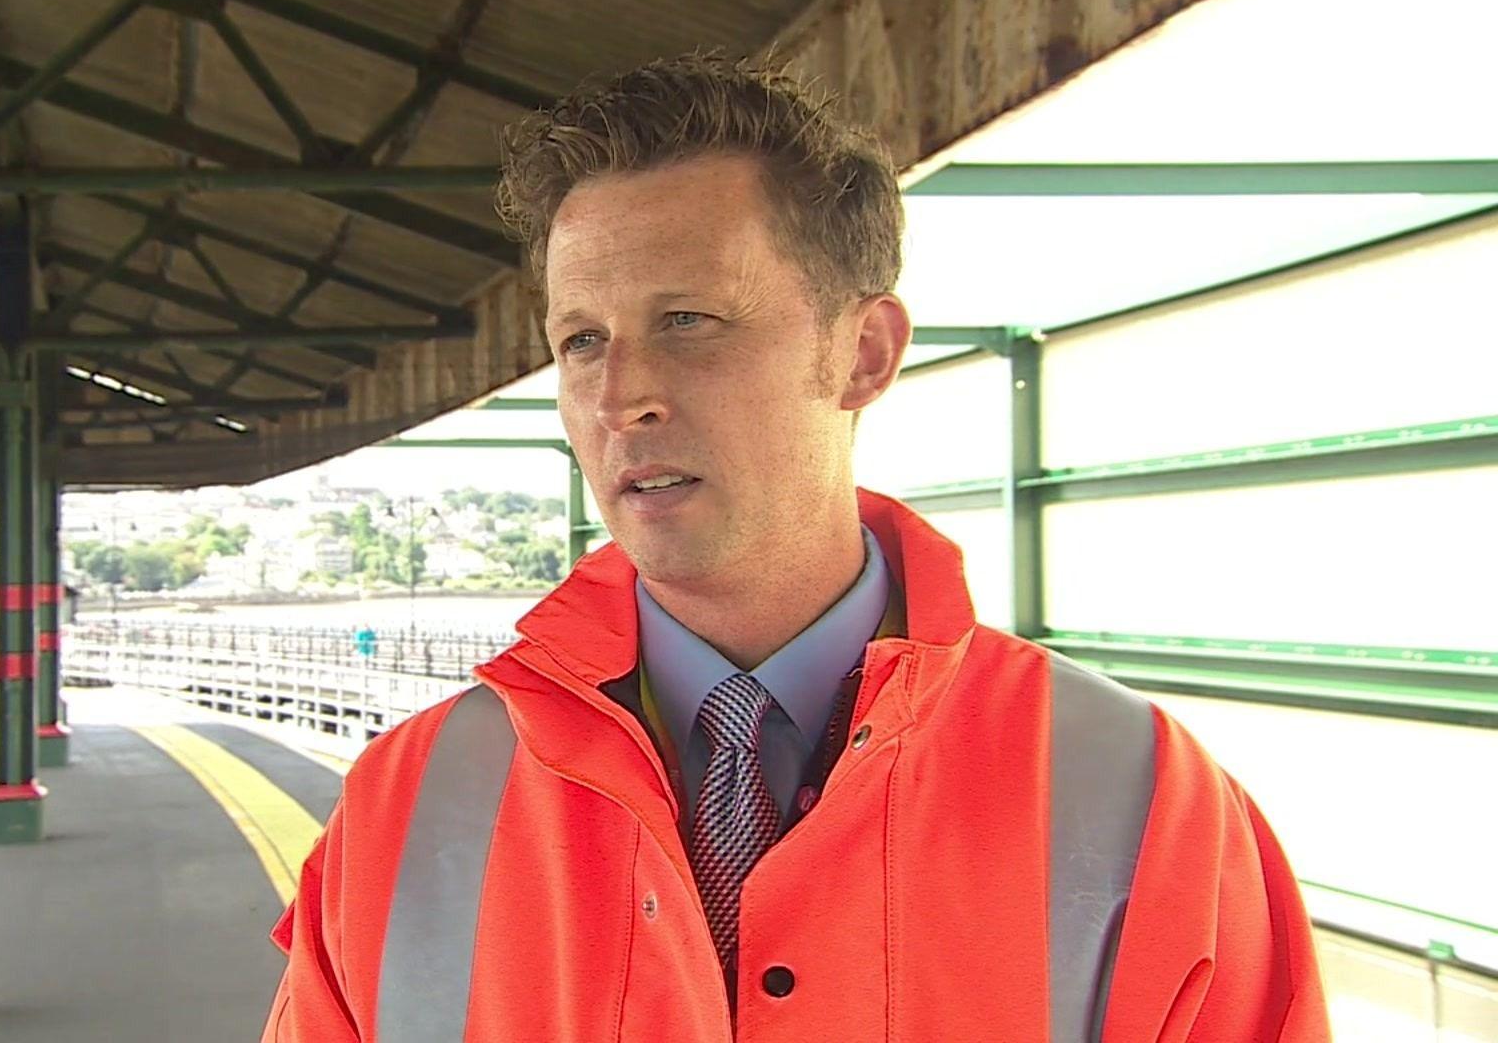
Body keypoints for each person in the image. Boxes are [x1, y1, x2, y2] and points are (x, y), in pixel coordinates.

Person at [261, 55, 1329, 1041]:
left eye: (687, 320)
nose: (620, 396)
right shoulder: (405, 805)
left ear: (863, 353)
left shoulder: (1145, 799)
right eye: (581, 339)